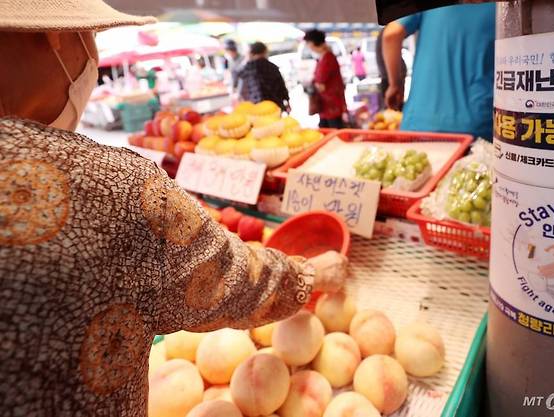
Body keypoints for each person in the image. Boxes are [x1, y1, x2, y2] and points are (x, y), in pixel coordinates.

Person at [0, 1, 346, 415]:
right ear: (54, 34)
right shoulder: (107, 184)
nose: (92, 54)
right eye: (89, 35)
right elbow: (223, 280)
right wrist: (309, 275)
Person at [382, 3, 496, 139]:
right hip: (476, 126)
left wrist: (395, 85)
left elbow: (391, 34)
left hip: (418, 124)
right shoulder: (504, 7)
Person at [303, 29, 347, 129]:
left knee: (333, 132)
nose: (308, 46)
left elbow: (320, 85)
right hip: (328, 105)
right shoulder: (325, 56)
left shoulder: (327, 58)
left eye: (308, 43)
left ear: (313, 43)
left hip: (331, 105)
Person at [237, 41, 291, 111]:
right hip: (274, 106)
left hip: (256, 108)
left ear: (252, 53)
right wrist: (287, 101)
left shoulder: (246, 68)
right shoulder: (273, 67)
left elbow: (241, 91)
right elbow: (281, 86)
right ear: (265, 51)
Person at [375, 29, 407, 109]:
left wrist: (394, 84)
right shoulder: (387, 31)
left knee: (393, 106)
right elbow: (391, 37)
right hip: (390, 76)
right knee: (394, 106)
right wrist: (394, 84)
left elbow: (391, 37)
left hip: (391, 76)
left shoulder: (387, 31)